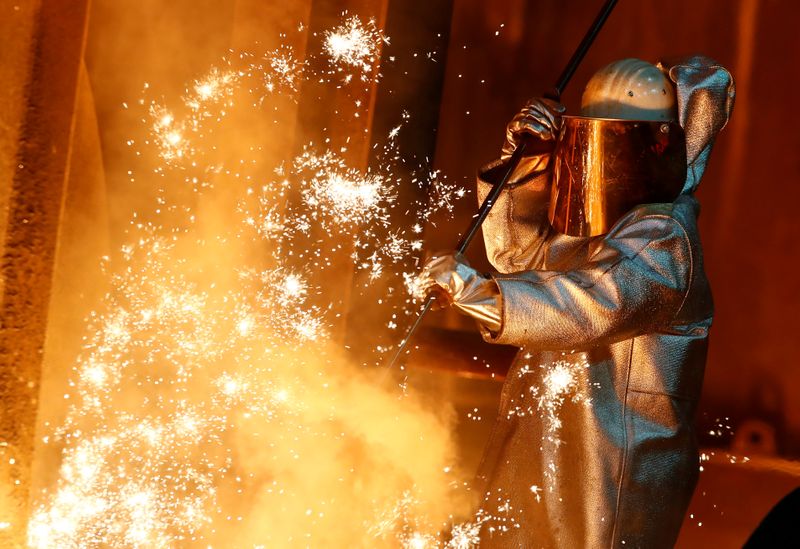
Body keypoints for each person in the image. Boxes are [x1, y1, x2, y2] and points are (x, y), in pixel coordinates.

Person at [417, 57, 734, 547]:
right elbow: (519, 258)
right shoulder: (592, 226)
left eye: (612, 145)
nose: (598, 161)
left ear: (658, 146)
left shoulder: (664, 239)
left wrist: (474, 292)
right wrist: (527, 160)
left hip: (613, 468)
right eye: (585, 142)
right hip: (547, 445)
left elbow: (587, 305)